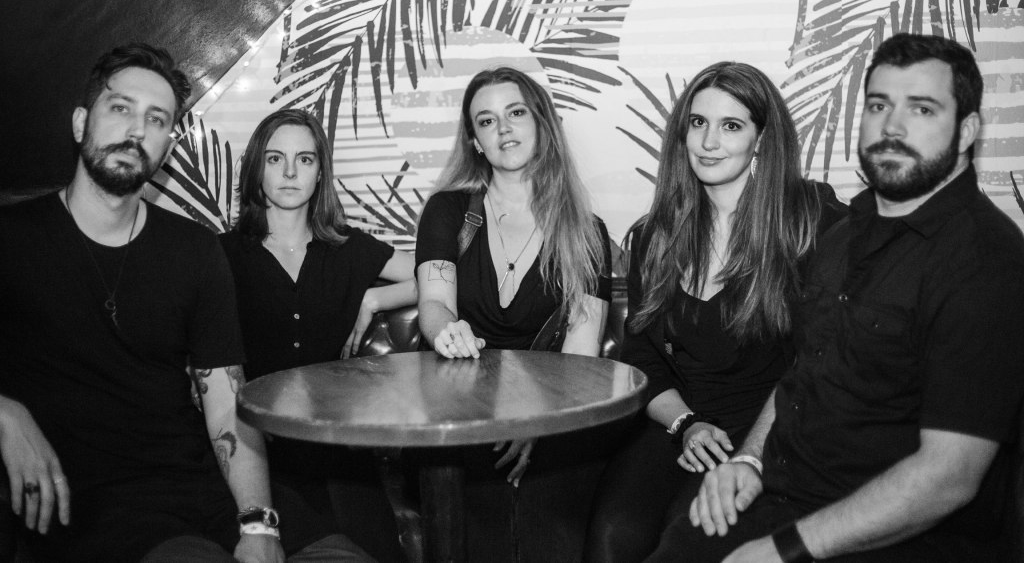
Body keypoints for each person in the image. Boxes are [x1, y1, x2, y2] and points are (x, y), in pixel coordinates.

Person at [652, 33, 1024, 563]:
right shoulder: (842, 237)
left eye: (922, 109)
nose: (892, 127)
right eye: (879, 105)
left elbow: (949, 477)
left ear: (966, 130)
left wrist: (784, 550)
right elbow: (802, 372)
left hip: (903, 531)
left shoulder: (987, 261)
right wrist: (749, 462)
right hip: (788, 492)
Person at [0, 43, 369, 563]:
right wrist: (4, 412)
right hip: (94, 504)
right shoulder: (14, 237)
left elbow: (225, 401)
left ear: (167, 148)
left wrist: (258, 521)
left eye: (157, 119)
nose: (136, 130)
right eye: (120, 108)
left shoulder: (194, 249)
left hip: (204, 482)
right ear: (81, 123)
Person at [583, 61, 846, 562]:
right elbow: (641, 357)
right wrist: (687, 424)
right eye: (698, 123)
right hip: (678, 423)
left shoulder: (809, 221)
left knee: (683, 540)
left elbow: (818, 358)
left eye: (731, 125)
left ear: (761, 139)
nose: (708, 142)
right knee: (613, 539)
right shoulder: (656, 234)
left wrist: (752, 454)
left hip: (767, 431)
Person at [414, 66, 612, 561]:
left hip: (554, 418)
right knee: (480, 528)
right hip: (460, 414)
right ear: (475, 142)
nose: (503, 128)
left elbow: (581, 357)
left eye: (516, 113)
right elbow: (435, 305)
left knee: (545, 531)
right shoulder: (447, 211)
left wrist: (537, 425)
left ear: (542, 123)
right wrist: (446, 332)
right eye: (486, 121)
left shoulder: (588, 232)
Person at [220, 108, 417, 562]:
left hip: (339, 454)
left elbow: (436, 276)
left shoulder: (347, 248)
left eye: (305, 159)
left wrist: (374, 299)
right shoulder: (222, 255)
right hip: (257, 453)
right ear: (256, 169)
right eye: (275, 159)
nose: (290, 172)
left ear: (320, 172)